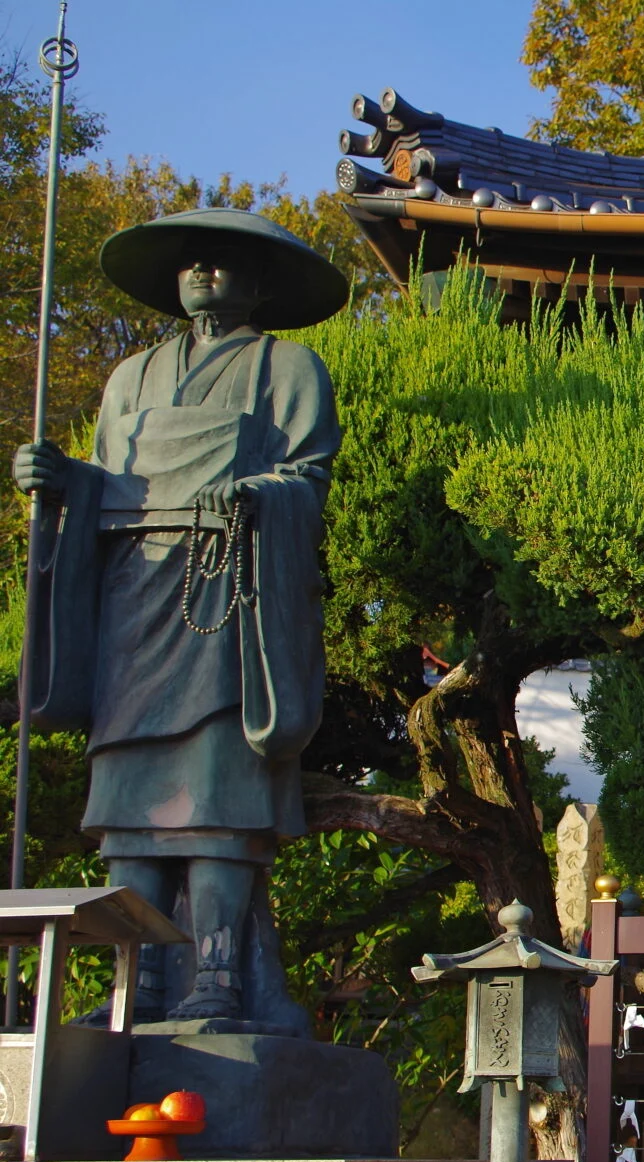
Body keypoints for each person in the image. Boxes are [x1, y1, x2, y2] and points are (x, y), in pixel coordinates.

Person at [13, 207, 347, 1029]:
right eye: (192, 263)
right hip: (137, 585)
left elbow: (310, 477)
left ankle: (220, 979)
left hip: (226, 588)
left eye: (224, 264)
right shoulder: (131, 376)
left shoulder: (287, 366)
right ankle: (139, 982)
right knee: (130, 795)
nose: (204, 274)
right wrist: (58, 479)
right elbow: (106, 480)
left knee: (219, 794)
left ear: (260, 283)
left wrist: (258, 493)